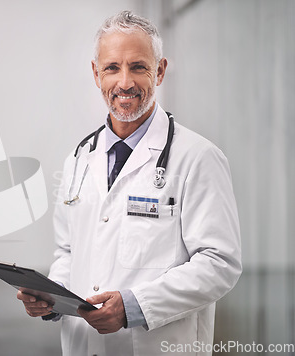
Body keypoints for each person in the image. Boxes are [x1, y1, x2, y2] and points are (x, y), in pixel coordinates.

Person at [17, 10, 241, 356]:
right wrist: (52, 296)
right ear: (96, 74)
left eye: (138, 66)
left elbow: (219, 263)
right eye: (112, 68)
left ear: (160, 70)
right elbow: (68, 251)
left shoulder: (197, 157)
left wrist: (134, 306)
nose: (124, 83)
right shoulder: (79, 159)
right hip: (82, 345)